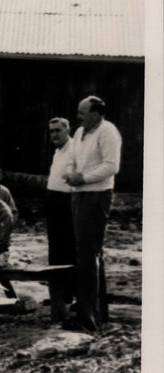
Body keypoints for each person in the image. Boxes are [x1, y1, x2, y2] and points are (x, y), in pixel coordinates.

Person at [63, 95, 122, 331]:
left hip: (97, 196)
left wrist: (84, 178)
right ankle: (95, 312)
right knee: (86, 253)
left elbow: (111, 165)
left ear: (96, 114)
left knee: (89, 254)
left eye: (83, 113)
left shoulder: (107, 132)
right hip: (78, 194)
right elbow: (72, 160)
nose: (79, 117)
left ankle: (88, 319)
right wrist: (71, 173)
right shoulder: (79, 133)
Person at [45, 116, 76, 323]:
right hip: (54, 201)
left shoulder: (75, 149)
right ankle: (59, 295)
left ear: (67, 130)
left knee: (68, 248)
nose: (54, 134)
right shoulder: (58, 152)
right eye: (51, 131)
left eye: (58, 130)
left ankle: (71, 295)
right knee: (55, 248)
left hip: (68, 202)